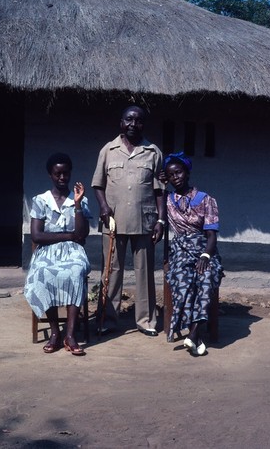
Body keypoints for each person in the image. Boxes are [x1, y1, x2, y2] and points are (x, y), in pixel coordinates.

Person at [91, 105, 165, 337]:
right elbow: (98, 184)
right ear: (121, 122)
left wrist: (161, 220)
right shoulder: (108, 150)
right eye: (129, 120)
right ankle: (108, 319)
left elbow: (160, 191)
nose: (133, 124)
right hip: (113, 221)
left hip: (145, 221)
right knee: (111, 271)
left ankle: (146, 320)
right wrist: (103, 207)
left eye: (139, 120)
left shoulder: (153, 152)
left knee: (144, 272)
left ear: (144, 124)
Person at [24, 152, 91, 355]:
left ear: (70, 174)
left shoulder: (81, 199)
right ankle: (55, 332)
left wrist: (77, 205)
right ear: (50, 175)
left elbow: (82, 234)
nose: (62, 178)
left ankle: (70, 335)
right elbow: (36, 236)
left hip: (73, 252)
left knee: (76, 271)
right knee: (42, 273)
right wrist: (69, 236)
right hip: (46, 252)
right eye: (57, 174)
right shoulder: (40, 200)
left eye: (66, 173)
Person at [163, 152, 224, 355]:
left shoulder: (206, 199)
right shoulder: (168, 200)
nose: (175, 177)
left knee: (206, 277)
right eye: (171, 175)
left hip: (204, 249)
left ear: (187, 172)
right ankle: (195, 336)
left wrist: (206, 256)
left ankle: (193, 333)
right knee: (183, 279)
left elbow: (211, 235)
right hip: (180, 249)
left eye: (178, 172)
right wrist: (160, 184)